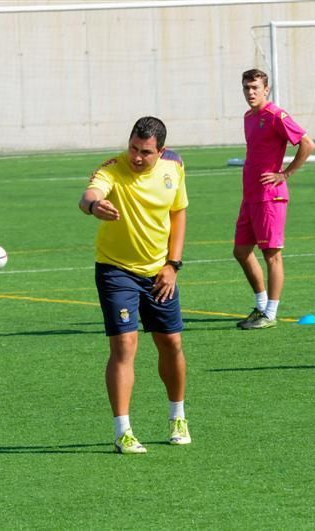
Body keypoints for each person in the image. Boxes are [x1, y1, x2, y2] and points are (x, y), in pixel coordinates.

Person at [79, 116, 191, 454]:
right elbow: (88, 195)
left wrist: (172, 265)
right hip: (116, 270)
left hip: (159, 271)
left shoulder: (174, 168)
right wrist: (95, 205)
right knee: (125, 346)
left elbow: (178, 213)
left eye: (145, 152)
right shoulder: (112, 168)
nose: (137, 157)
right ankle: (123, 431)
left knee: (171, 343)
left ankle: (177, 417)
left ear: (161, 151)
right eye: (133, 148)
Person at [234, 69, 315, 329]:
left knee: (271, 254)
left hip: (270, 197)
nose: (251, 92)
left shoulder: (275, 115)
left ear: (266, 89)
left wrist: (286, 173)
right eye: (247, 87)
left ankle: (270, 313)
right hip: (250, 197)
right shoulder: (249, 117)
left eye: (255, 87)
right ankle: (260, 306)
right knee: (241, 251)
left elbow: (307, 143)